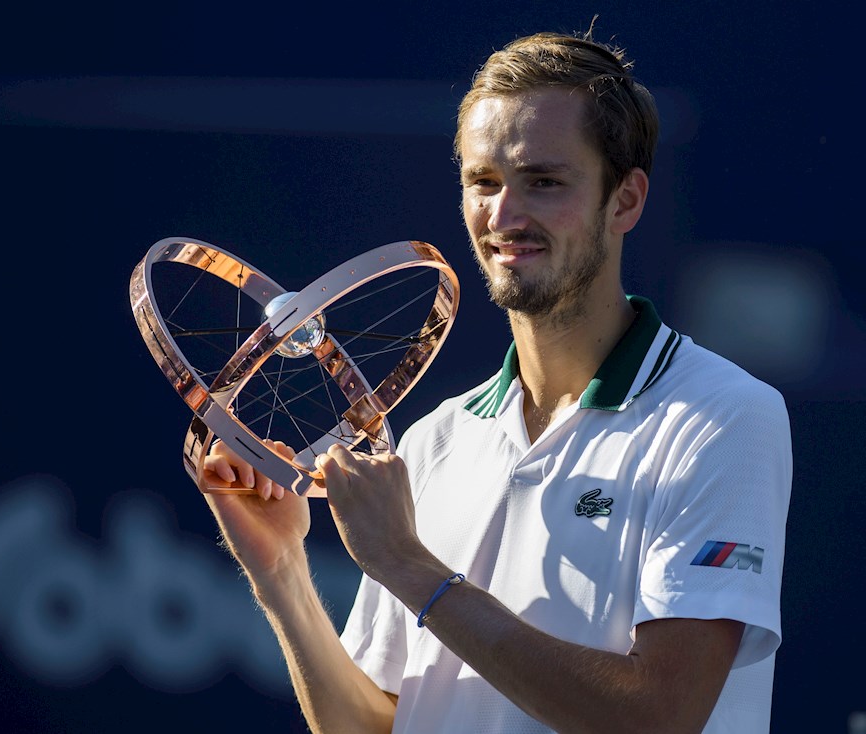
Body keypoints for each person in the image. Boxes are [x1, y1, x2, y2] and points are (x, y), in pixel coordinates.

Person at [201, 24, 793, 734]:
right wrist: (282, 574)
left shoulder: (725, 417)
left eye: (544, 182)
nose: (504, 216)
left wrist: (409, 565)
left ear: (625, 201)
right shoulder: (433, 442)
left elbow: (658, 718)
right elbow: (370, 726)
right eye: (484, 183)